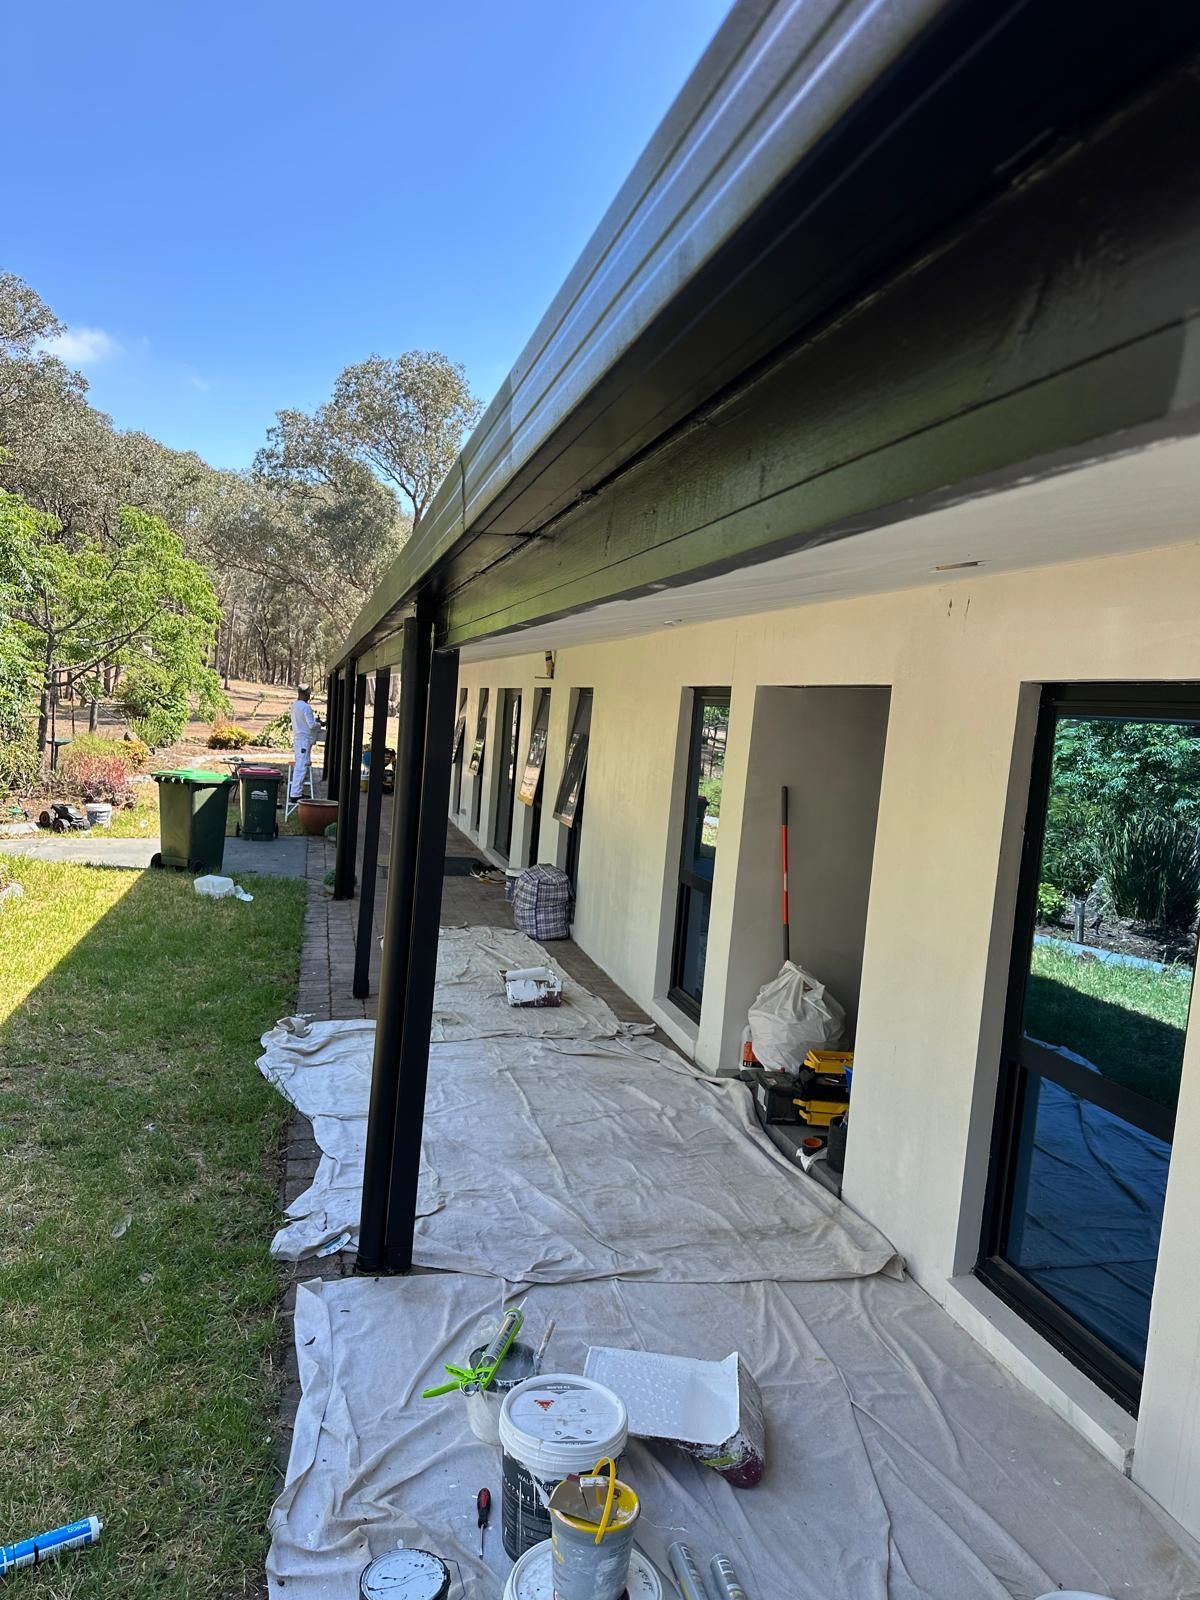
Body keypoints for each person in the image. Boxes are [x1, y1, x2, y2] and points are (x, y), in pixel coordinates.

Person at [289, 685, 322, 801]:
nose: (309, 696)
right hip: (304, 740)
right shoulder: (306, 707)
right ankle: (295, 794)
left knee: (302, 763)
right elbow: (311, 725)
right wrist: (320, 724)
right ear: (304, 694)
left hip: (298, 738)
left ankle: (297, 791)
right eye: (308, 694)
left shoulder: (294, 705)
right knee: (301, 766)